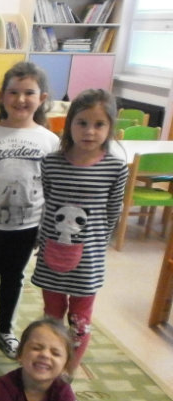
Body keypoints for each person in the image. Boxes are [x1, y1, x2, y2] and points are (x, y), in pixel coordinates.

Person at [31, 89, 127, 372]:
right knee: (52, 314)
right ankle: (48, 364)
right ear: (69, 123)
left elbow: (113, 212)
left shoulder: (115, 168)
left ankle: (69, 370)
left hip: (89, 258)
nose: (89, 131)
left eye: (99, 124)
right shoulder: (51, 163)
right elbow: (48, 202)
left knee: (80, 319)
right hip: (52, 252)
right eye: (82, 123)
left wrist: (98, 246)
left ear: (109, 128)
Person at [0, 62, 59, 360]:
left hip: (27, 227)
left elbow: (52, 188)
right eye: (13, 92)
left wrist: (45, 230)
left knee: (13, 277)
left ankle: (6, 330)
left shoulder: (50, 141)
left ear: (42, 98)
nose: (21, 99)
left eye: (29, 93)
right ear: (2, 96)